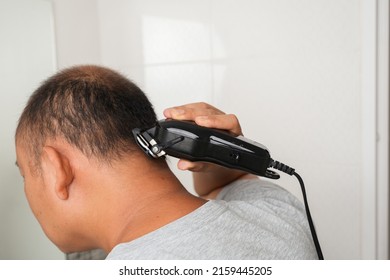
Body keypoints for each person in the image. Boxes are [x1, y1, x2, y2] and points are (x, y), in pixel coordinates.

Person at [15, 65, 318, 259]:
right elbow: (233, 187)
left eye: (25, 174)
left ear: (57, 169)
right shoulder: (278, 210)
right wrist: (217, 152)